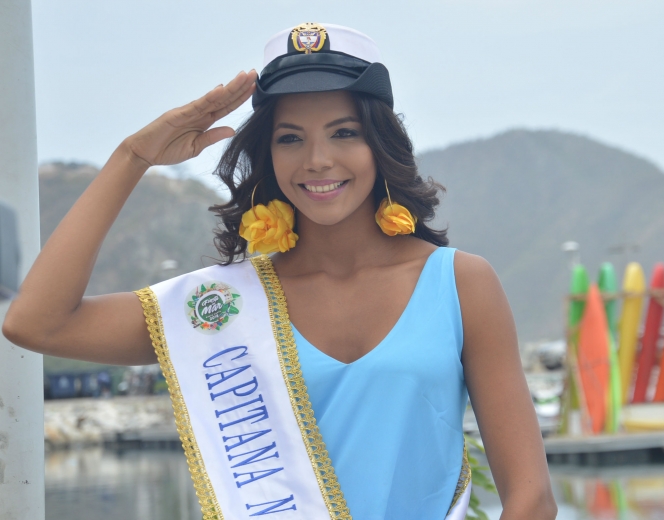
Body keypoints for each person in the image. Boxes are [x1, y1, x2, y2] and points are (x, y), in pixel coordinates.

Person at [3, 22, 556, 520]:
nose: (317, 159)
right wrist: (133, 157)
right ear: (267, 158)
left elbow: (531, 498)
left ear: (380, 144)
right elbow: (38, 324)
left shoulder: (459, 284)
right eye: (290, 138)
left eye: (344, 132)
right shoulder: (224, 307)